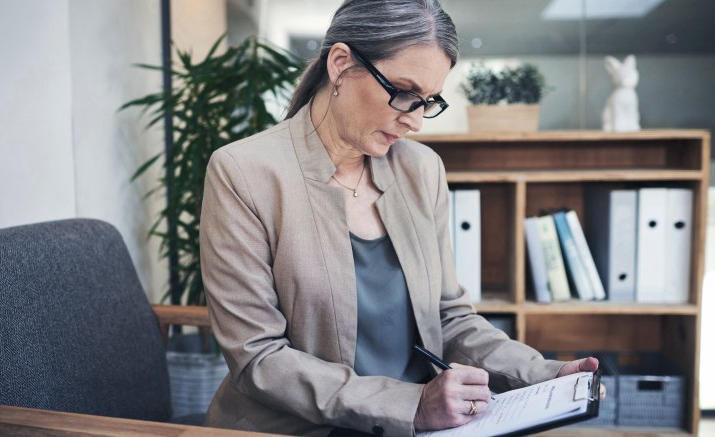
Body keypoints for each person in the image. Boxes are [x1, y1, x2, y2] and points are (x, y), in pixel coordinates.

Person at [199, 1, 600, 436]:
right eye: (405, 92)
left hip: (419, 425)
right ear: (341, 64)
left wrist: (544, 374)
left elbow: (449, 317)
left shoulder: (422, 170)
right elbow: (258, 356)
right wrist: (411, 405)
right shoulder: (243, 171)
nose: (415, 122)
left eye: (428, 102)